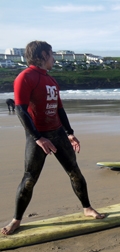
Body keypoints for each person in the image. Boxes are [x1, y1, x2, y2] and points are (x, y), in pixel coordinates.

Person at [1, 41, 105, 236]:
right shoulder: (25, 77)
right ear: (42, 55)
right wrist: (38, 138)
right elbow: (20, 110)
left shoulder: (51, 80)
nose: (54, 59)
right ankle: (16, 220)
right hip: (37, 136)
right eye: (51, 54)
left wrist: (70, 132)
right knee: (29, 178)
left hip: (57, 133)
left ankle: (87, 208)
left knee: (74, 172)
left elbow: (59, 109)